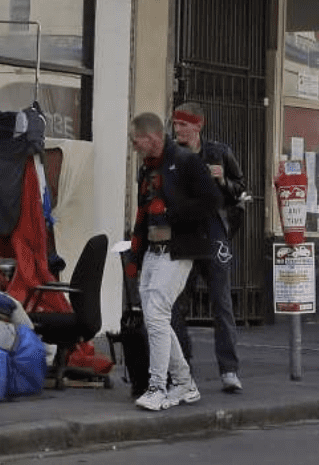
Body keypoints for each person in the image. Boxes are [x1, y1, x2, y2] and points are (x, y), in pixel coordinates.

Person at [127, 112, 222, 411]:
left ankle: (158, 386)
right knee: (156, 316)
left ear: (152, 138)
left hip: (179, 250)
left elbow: (211, 201)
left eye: (136, 141)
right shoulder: (147, 169)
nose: (134, 147)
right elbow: (142, 215)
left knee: (155, 313)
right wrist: (135, 254)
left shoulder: (185, 161)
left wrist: (172, 211)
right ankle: (183, 383)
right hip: (154, 251)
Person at [169, 102, 247, 394]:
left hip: (214, 233)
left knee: (222, 302)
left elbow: (241, 187)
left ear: (197, 126)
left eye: (183, 125)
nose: (178, 130)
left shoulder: (219, 152)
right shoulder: (171, 155)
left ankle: (229, 370)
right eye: (175, 125)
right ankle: (183, 366)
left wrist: (222, 179)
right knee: (176, 303)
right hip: (184, 235)